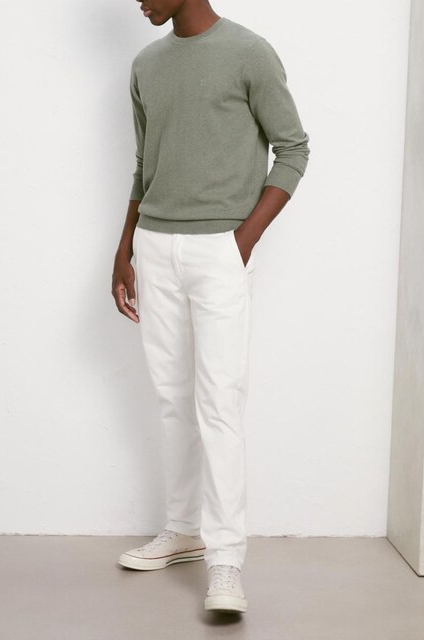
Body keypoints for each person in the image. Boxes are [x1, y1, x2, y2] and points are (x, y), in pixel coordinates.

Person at [112, 0, 310, 614]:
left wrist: (242, 241)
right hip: (155, 246)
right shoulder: (146, 64)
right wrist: (124, 248)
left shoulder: (249, 53)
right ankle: (183, 531)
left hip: (220, 250)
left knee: (219, 403)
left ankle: (226, 559)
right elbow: (144, 165)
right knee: (173, 399)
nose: (138, 1)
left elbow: (294, 150)